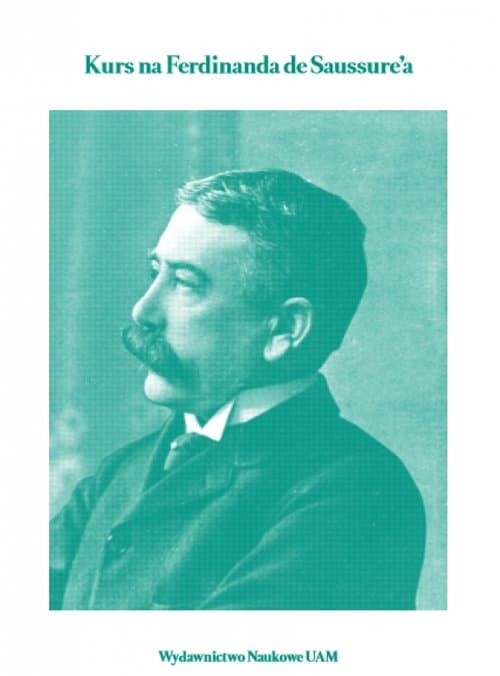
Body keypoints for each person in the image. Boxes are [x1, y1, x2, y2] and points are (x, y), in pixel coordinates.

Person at [50, 169, 425, 610]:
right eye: (154, 272)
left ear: (284, 329)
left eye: (184, 282)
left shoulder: (356, 493)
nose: (143, 310)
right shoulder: (120, 474)